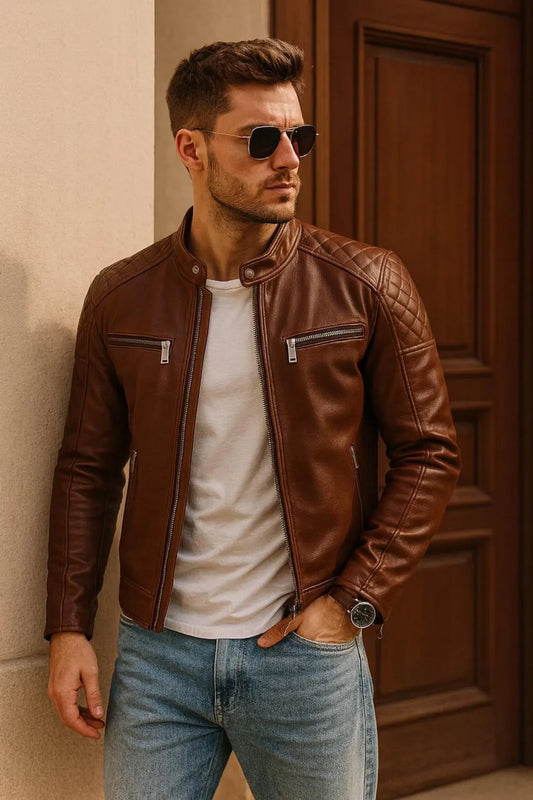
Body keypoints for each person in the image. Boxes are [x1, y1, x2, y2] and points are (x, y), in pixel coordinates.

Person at [45, 38, 460, 800]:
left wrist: (349, 603)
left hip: (303, 657)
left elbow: (429, 452)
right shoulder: (121, 298)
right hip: (158, 660)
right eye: (261, 139)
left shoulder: (365, 282)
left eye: (299, 137)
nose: (288, 159)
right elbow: (87, 470)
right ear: (191, 149)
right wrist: (68, 628)